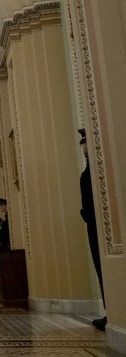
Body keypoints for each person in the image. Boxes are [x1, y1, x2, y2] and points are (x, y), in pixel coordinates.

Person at [79, 128, 106, 330]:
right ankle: (110, 311)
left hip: (100, 223)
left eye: (85, 143)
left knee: (104, 267)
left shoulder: (98, 168)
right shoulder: (89, 168)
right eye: (82, 144)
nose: (83, 148)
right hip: (93, 223)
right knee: (100, 267)